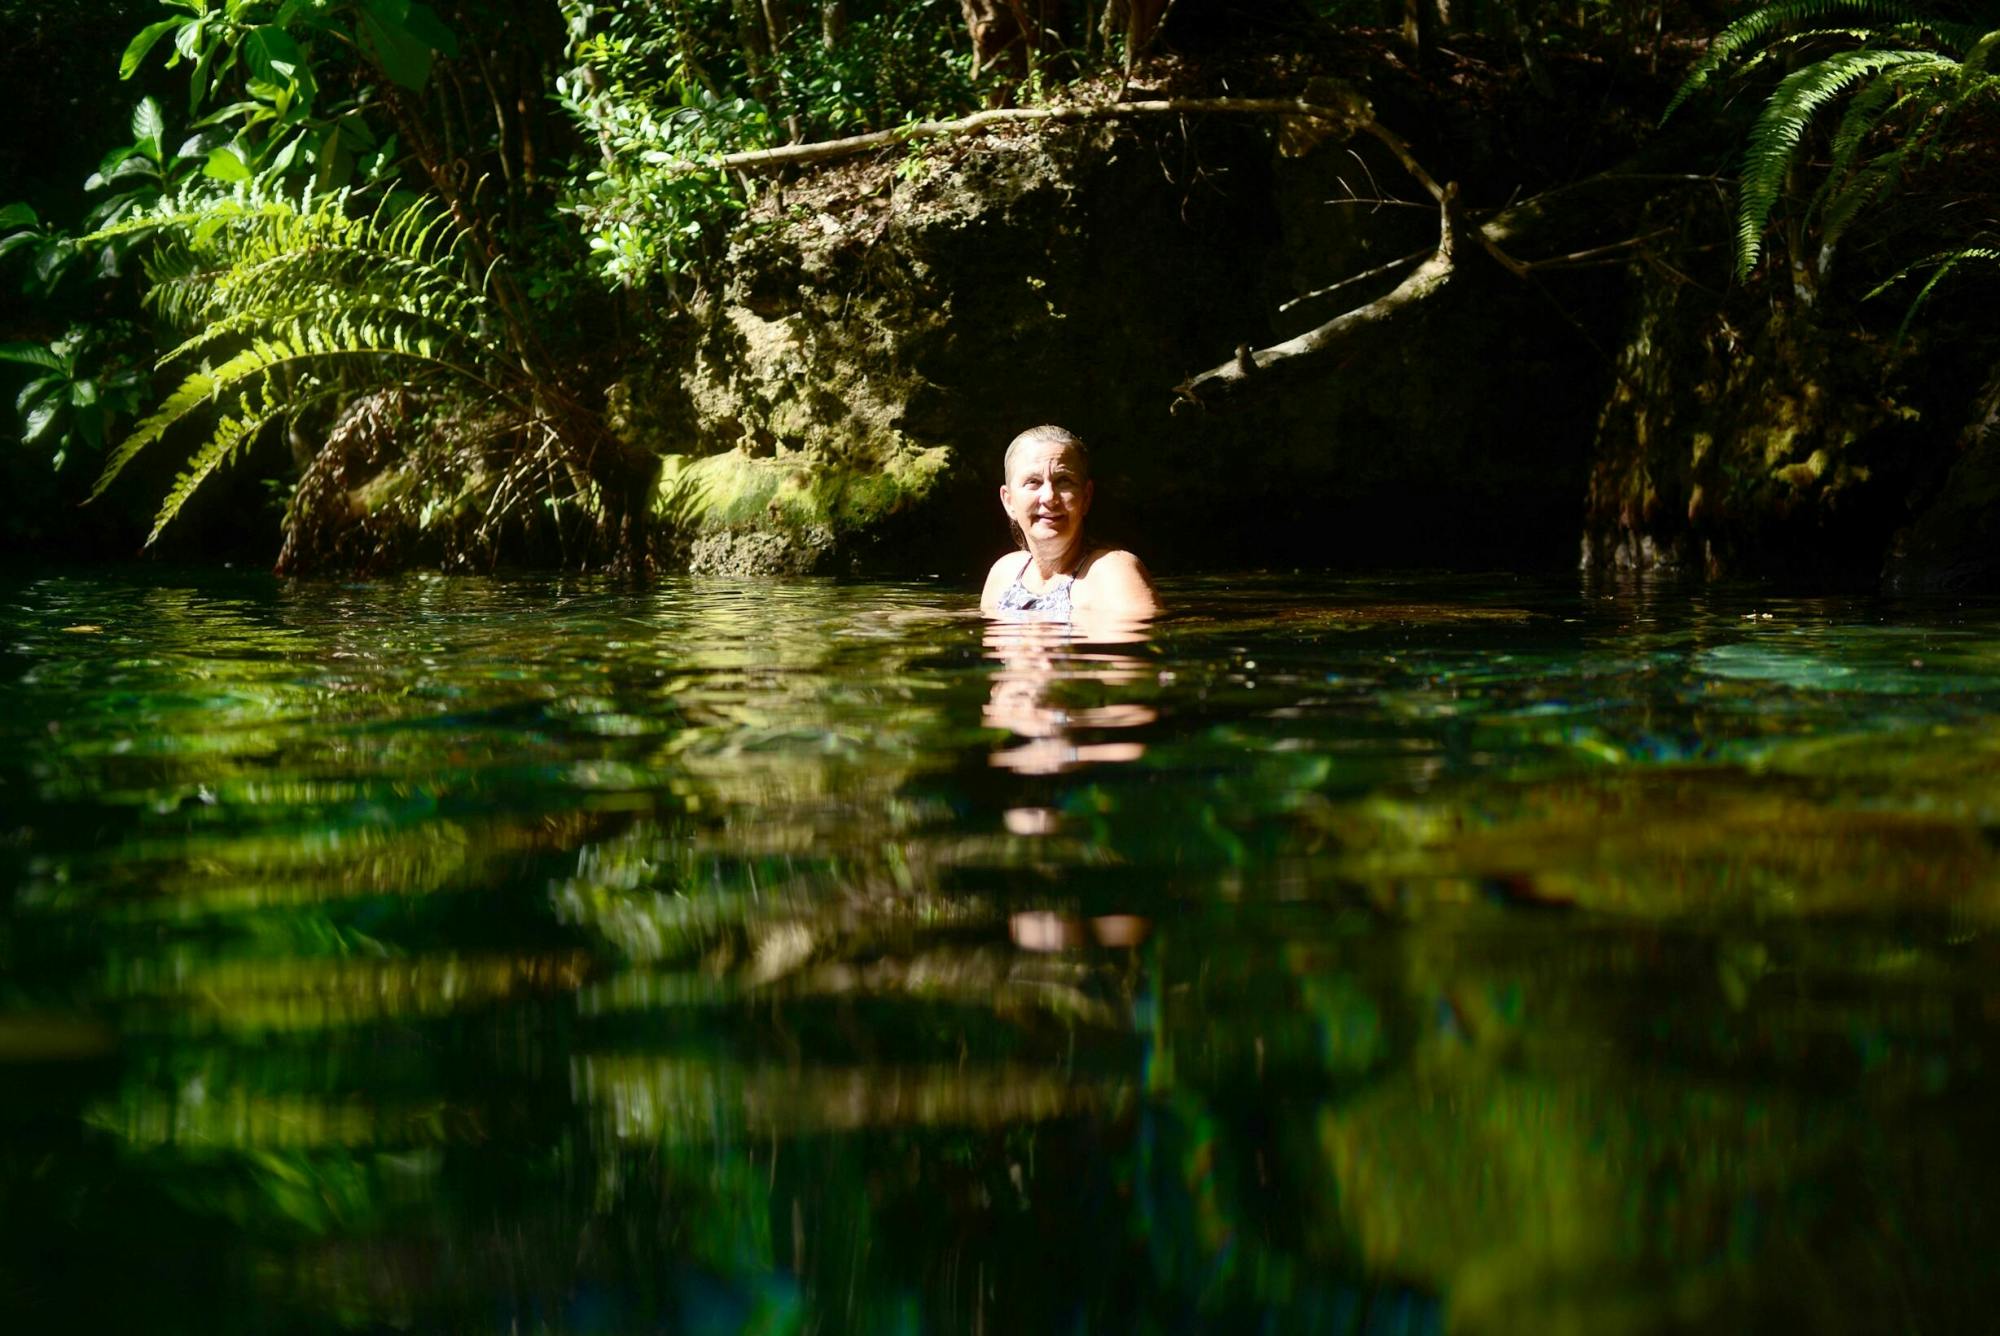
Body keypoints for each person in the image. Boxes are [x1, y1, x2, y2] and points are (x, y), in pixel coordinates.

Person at [978, 425, 1158, 623]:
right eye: (1033, 482)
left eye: (1063, 481)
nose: (1049, 497)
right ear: (1009, 501)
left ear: (1086, 497)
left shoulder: (1111, 573)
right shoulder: (1005, 574)